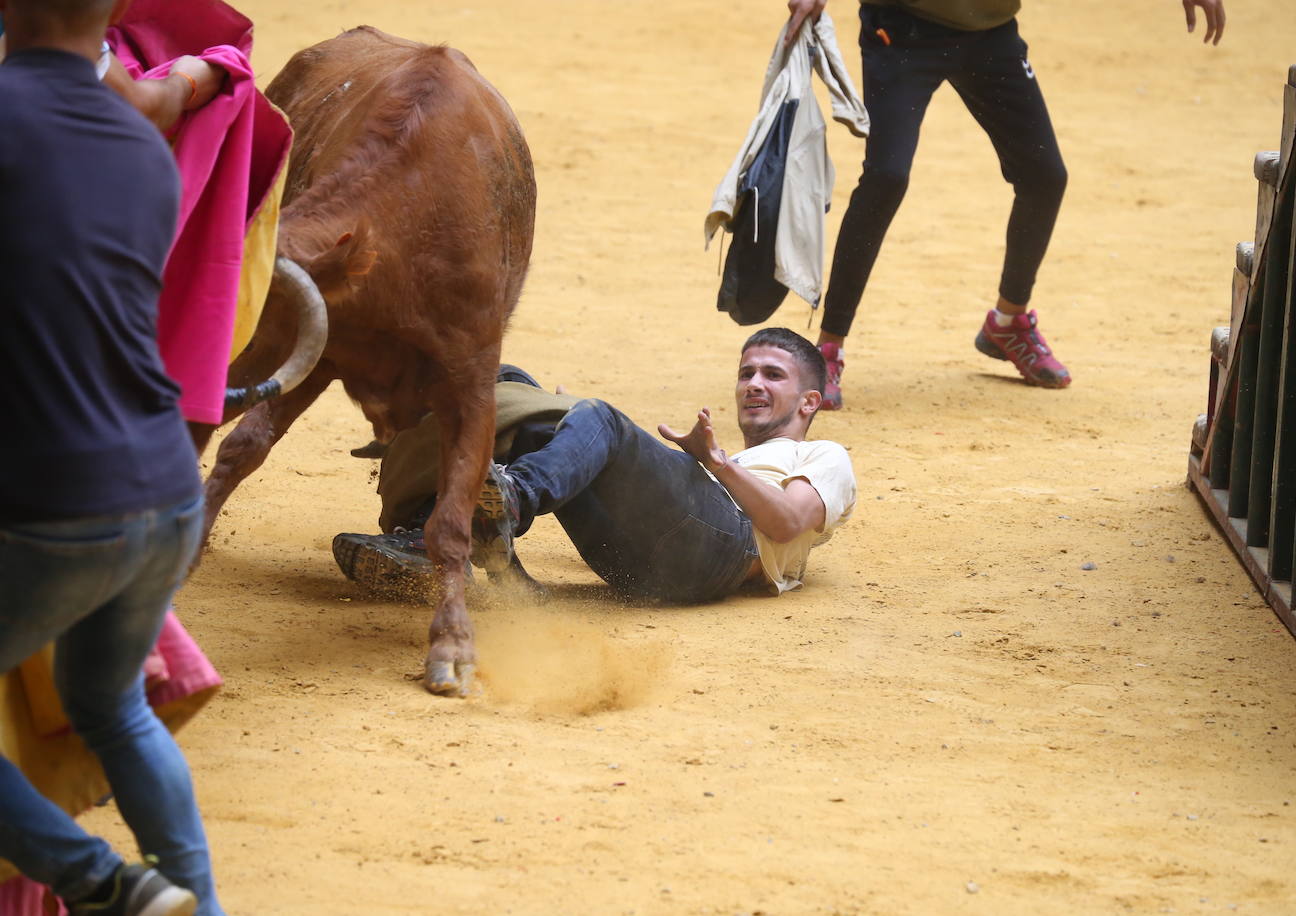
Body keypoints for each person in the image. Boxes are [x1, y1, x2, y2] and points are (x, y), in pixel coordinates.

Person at [0, 0, 225, 913]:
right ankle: (194, 907)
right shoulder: (140, 148)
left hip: (58, 505)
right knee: (113, 704)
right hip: (168, 495)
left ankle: (108, 887)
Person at [782, 0, 1227, 405]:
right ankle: (828, 348)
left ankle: (1008, 323)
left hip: (990, 31)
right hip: (902, 29)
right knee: (886, 176)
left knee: (1044, 176)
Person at [333, 328, 858, 603]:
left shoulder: (825, 456)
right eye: (747, 373)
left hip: (723, 554)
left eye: (772, 375)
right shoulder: (725, 462)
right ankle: (432, 539)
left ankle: (508, 504)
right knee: (516, 388)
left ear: (809, 401)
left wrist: (716, 464)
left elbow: (788, 522)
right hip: (638, 569)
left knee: (601, 422)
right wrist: (566, 423)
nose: (754, 385)